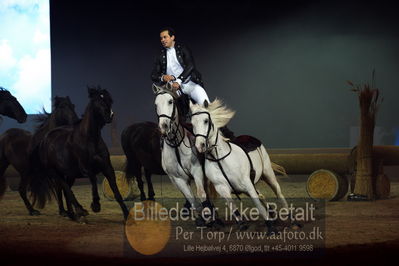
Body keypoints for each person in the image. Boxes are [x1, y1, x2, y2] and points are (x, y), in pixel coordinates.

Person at [151, 27, 210, 119]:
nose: (162, 40)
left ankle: (222, 130)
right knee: (172, 113)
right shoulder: (160, 55)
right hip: (172, 89)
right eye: (161, 38)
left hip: (189, 84)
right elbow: (153, 74)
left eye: (165, 37)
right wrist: (163, 77)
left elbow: (190, 66)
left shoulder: (183, 49)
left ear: (172, 37)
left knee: (206, 105)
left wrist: (178, 81)